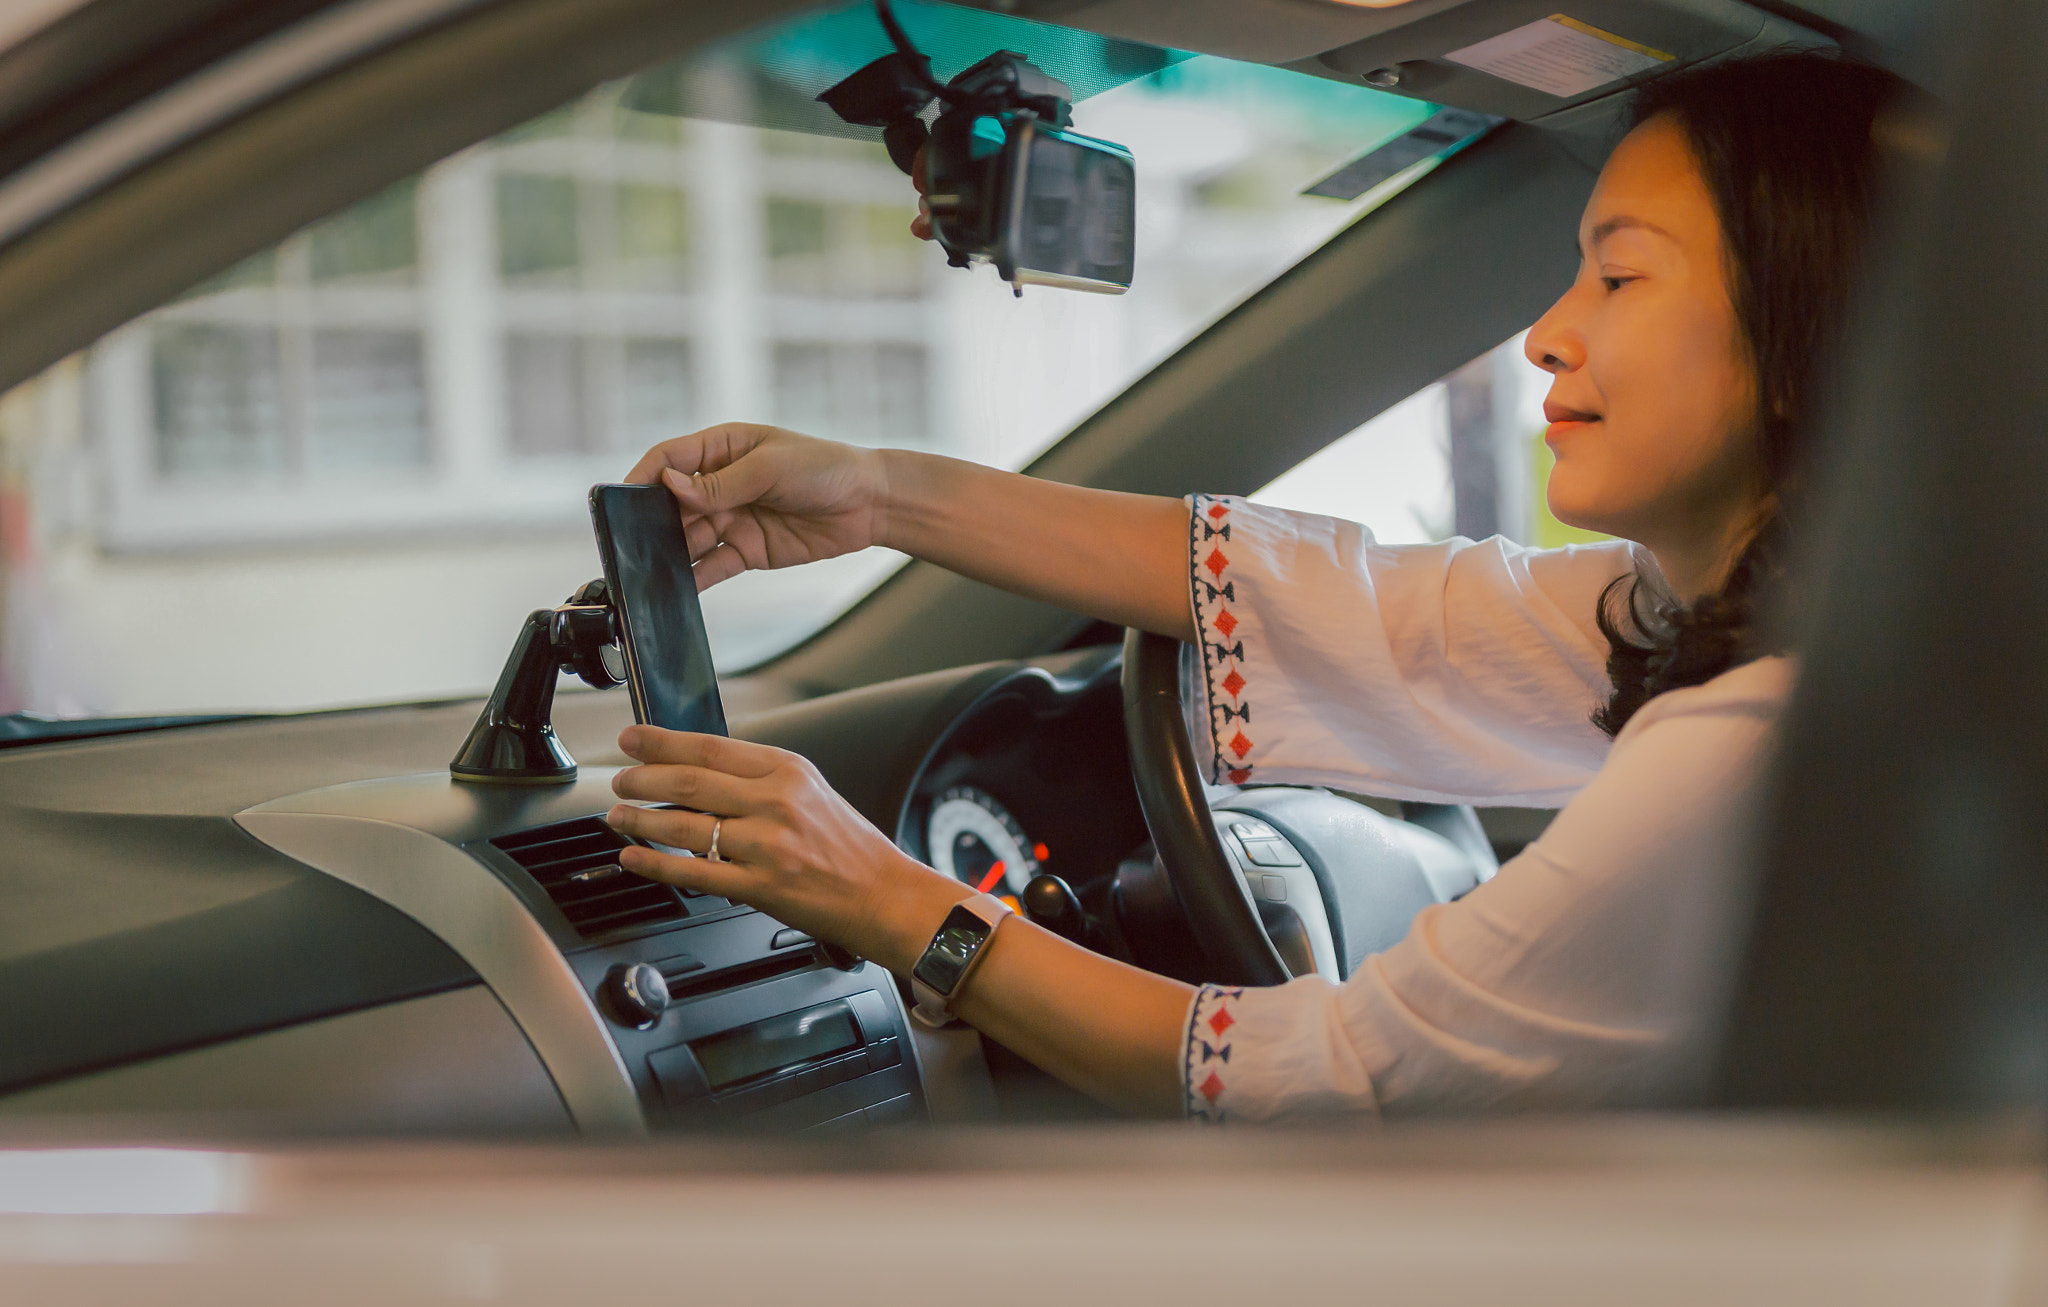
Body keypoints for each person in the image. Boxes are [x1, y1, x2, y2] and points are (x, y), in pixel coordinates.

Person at [603, 50, 1904, 1121]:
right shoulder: (1762, 638)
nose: (1547, 331)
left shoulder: (1749, 748)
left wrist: (882, 894)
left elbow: (1326, 1079)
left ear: (1808, 328)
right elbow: (1353, 604)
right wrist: (881, 494)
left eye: (1618, 275)